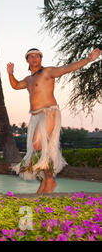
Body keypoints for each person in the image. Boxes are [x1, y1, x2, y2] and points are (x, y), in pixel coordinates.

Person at [7, 47, 101, 194]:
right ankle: (46, 180)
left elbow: (67, 68)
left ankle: (49, 180)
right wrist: (10, 74)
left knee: (38, 144)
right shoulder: (28, 79)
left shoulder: (47, 72)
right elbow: (16, 85)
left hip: (49, 112)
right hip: (35, 116)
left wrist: (88, 59)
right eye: (31, 57)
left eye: (37, 56)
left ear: (41, 58)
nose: (34, 59)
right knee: (44, 149)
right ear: (27, 60)